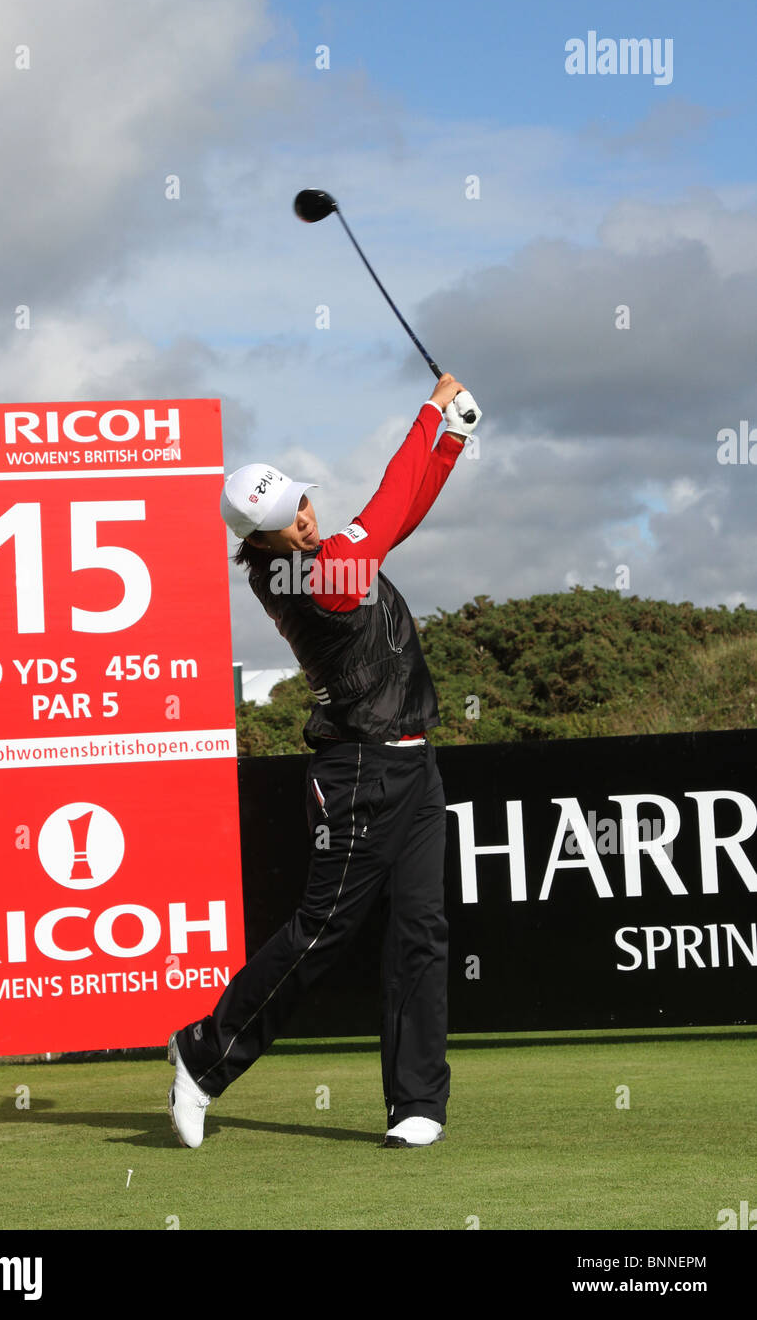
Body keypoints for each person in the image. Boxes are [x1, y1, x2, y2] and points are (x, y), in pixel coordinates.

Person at [167, 373, 480, 1148]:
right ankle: (203, 1055)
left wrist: (453, 440)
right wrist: (430, 416)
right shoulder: (310, 578)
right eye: (287, 520)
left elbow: (398, 512)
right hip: (362, 773)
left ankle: (416, 1103)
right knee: (321, 932)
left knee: (422, 930)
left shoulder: (318, 555)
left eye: (302, 504)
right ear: (261, 540)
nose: (305, 520)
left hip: (413, 763)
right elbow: (384, 517)